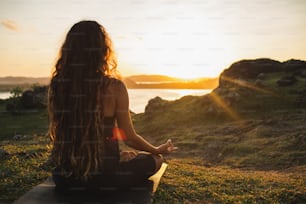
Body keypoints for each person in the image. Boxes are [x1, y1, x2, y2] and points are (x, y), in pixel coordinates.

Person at [48, 20, 176, 190]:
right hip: (106, 178)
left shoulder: (59, 85)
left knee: (124, 158)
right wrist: (156, 149)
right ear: (102, 50)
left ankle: (114, 159)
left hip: (66, 177)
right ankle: (115, 161)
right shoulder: (114, 87)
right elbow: (129, 137)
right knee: (155, 160)